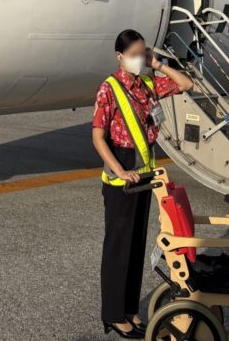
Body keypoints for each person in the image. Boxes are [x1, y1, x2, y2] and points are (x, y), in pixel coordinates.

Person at [92, 29, 194, 339]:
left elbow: (186, 84)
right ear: (119, 56)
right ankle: (112, 315)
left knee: (136, 246)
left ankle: (129, 310)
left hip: (144, 177)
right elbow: (98, 135)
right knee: (118, 248)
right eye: (135, 55)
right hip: (122, 178)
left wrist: (158, 65)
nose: (139, 59)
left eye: (143, 53)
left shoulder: (147, 84)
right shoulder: (108, 89)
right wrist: (119, 170)